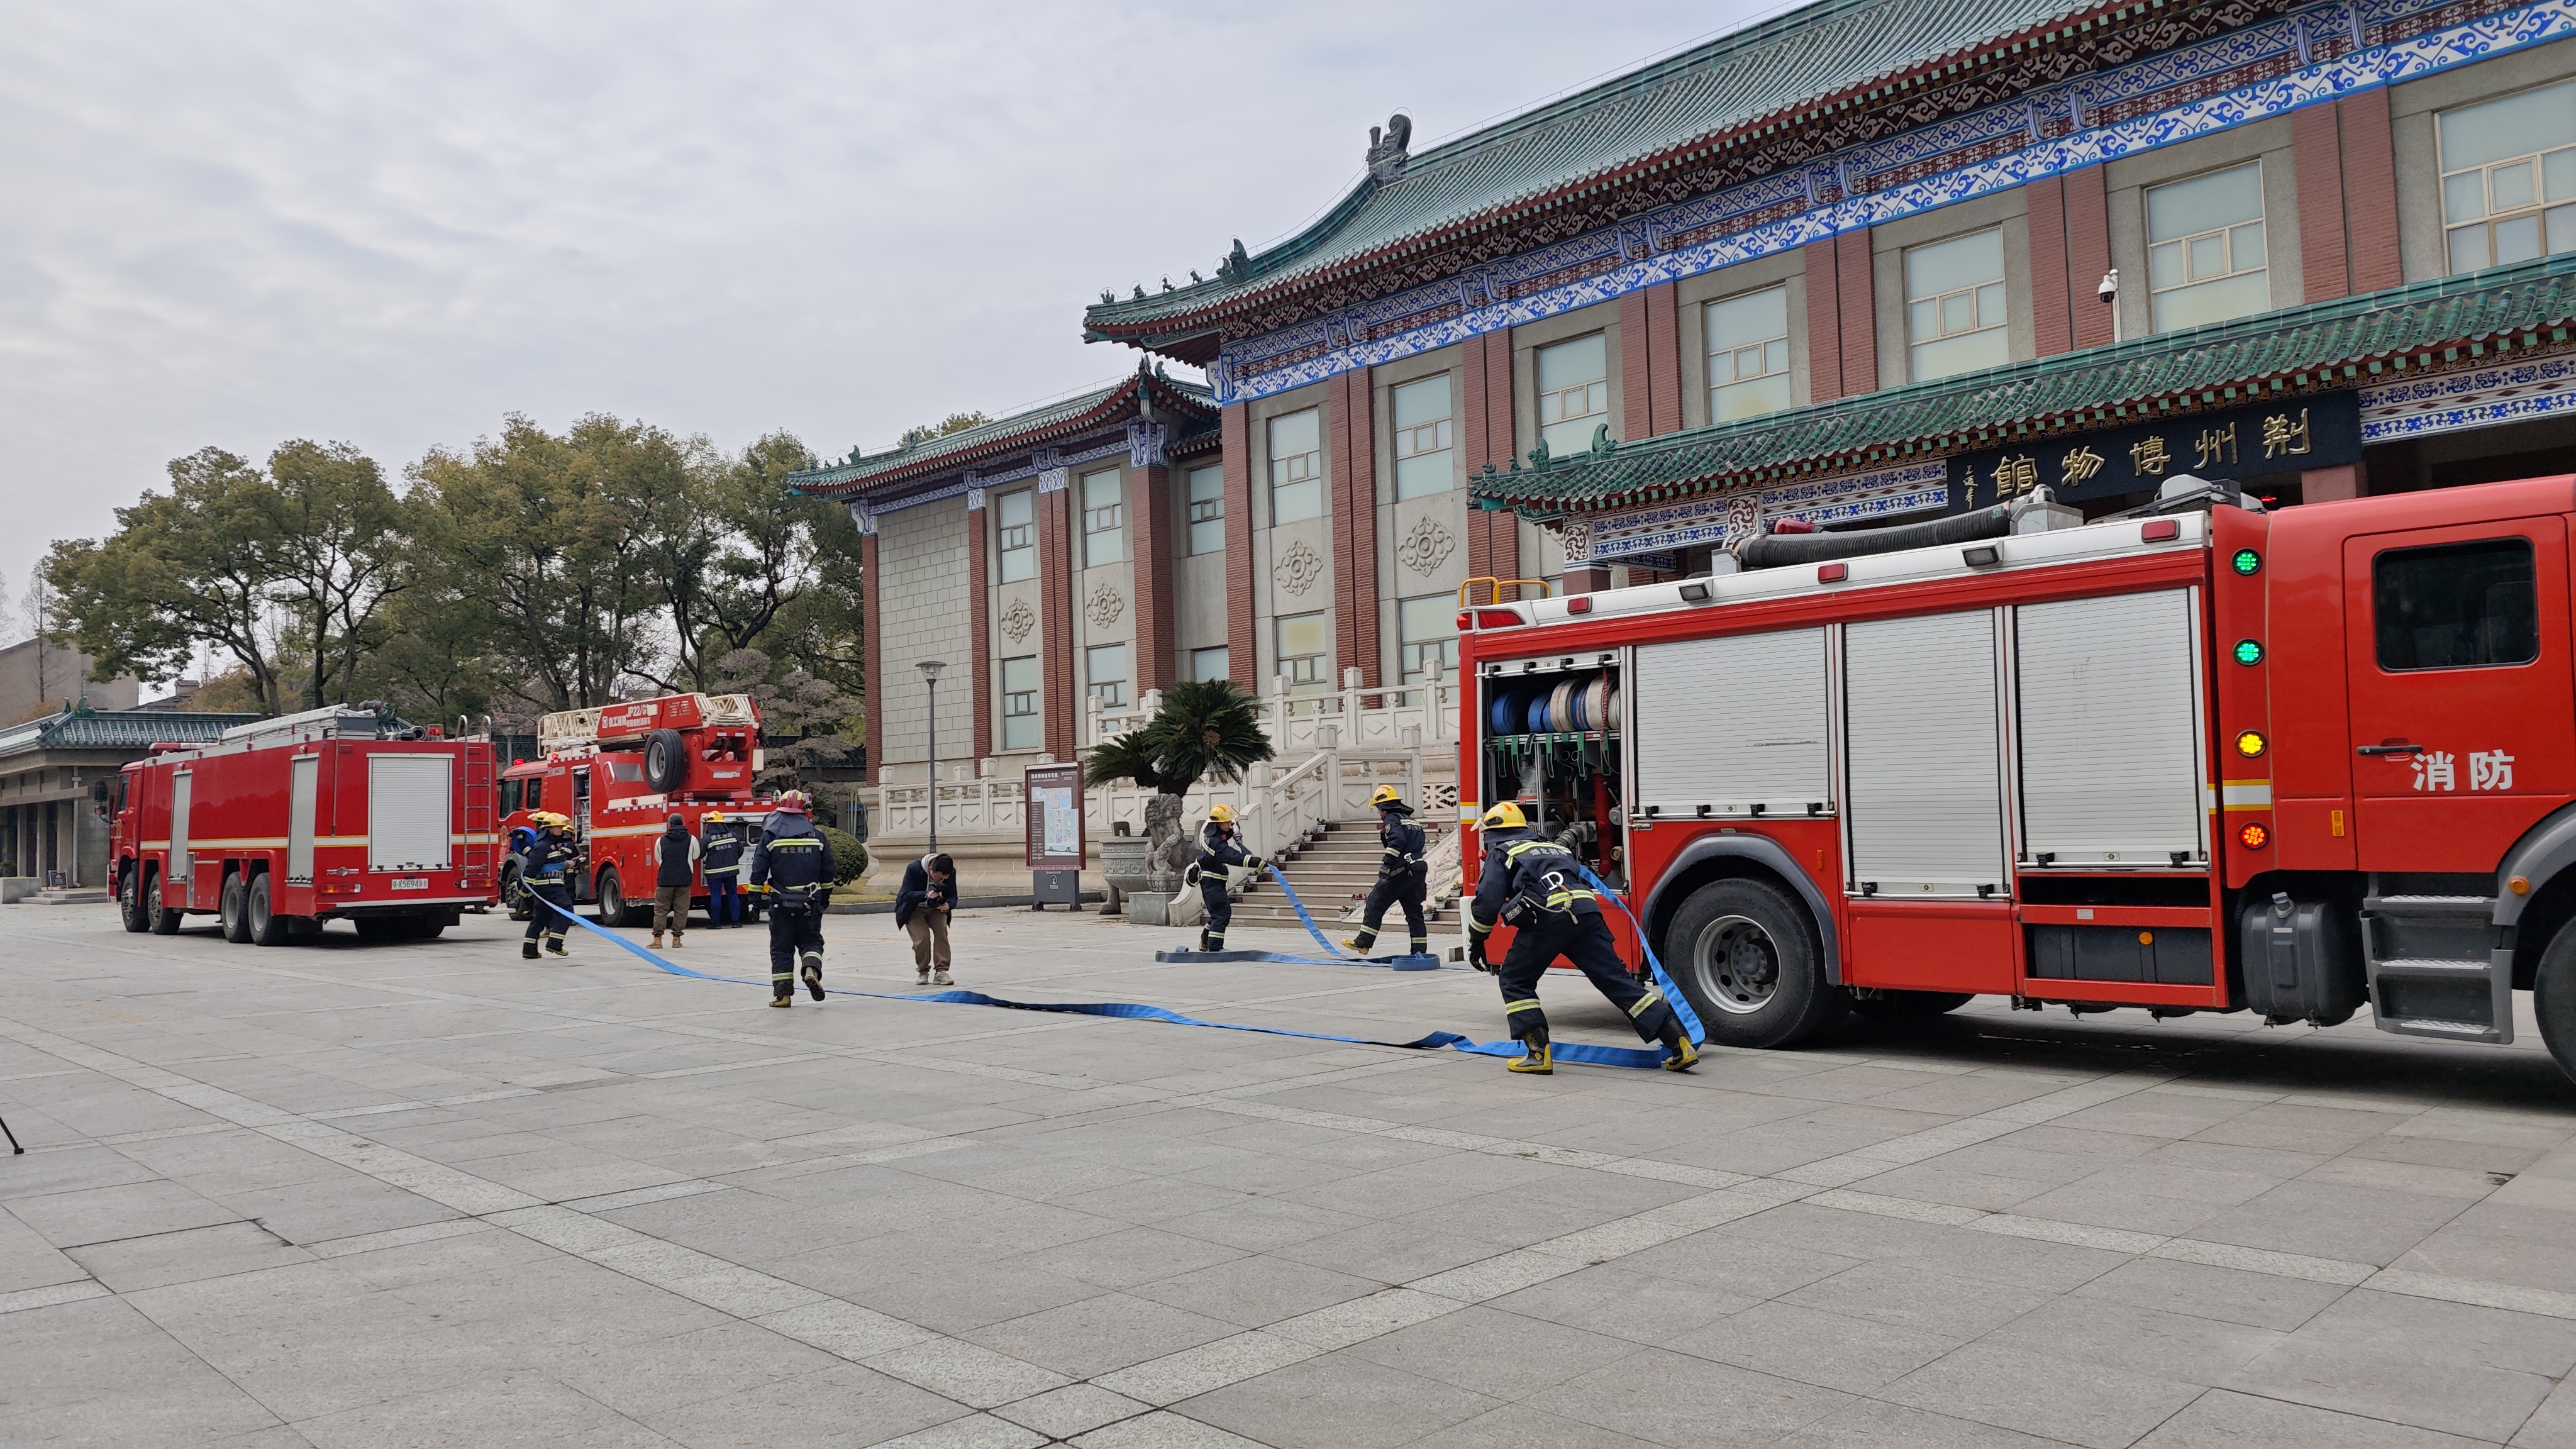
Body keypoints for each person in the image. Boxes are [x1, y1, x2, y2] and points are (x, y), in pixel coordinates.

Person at [1466, 801, 1696, 1075]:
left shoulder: (1502, 853)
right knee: (1616, 981)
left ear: (1493, 833)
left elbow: (1486, 902)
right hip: (1587, 914)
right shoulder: (1556, 849)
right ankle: (1680, 1043)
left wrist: (1477, 941)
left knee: (1515, 980)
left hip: (1549, 918)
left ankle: (1538, 1054)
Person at [748, 790, 835, 1007]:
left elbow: (758, 871)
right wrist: (824, 899)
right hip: (810, 902)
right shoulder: (818, 837)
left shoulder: (770, 837)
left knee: (781, 947)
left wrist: (755, 901)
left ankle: (783, 995)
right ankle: (811, 969)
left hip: (781, 903)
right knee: (811, 941)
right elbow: (828, 872)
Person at [1343, 784, 1428, 958]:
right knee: (1414, 913)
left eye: (1379, 809)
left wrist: (1386, 865)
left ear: (1384, 807)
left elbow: (1397, 842)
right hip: (1418, 870)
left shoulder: (1392, 819)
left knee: (1375, 902)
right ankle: (1419, 953)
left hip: (1401, 871)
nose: (1379, 813)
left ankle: (1364, 943)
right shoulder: (1412, 821)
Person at [1190, 803, 1263, 953]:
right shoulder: (1216, 844)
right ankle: (1215, 947)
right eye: (1227, 822)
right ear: (1218, 824)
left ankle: (1206, 942)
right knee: (1222, 914)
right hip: (1212, 884)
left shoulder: (1213, 836)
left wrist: (1235, 829)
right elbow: (1232, 856)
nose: (1230, 824)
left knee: (1217, 914)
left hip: (1214, 883)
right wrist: (1256, 862)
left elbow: (1226, 834)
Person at [517, 813, 580, 960]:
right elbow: (532, 868)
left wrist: (566, 864)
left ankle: (530, 950)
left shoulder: (551, 844)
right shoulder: (543, 845)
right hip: (550, 886)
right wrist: (525, 890)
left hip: (549, 886)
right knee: (567, 910)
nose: (561, 830)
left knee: (540, 917)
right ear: (549, 829)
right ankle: (555, 943)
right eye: (558, 827)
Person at [896, 852, 957, 986]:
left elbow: (953, 895)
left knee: (941, 933)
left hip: (937, 909)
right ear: (931, 869)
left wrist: (948, 905)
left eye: (944, 879)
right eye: (938, 878)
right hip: (914, 909)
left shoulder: (950, 871)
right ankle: (923, 971)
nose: (941, 881)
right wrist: (926, 894)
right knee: (922, 938)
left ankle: (941, 972)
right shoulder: (914, 869)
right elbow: (905, 895)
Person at [648, 813, 701, 949]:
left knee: (661, 910)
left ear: (669, 825)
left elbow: (657, 858)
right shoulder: (691, 839)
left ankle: (657, 939)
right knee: (681, 910)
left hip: (665, 880)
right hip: (684, 879)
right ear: (683, 823)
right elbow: (696, 856)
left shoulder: (661, 840)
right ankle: (676, 939)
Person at [701, 811, 745, 928]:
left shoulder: (708, 838)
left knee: (716, 896)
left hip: (714, 873)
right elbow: (740, 850)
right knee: (733, 895)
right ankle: (736, 922)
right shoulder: (733, 835)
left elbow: (700, 854)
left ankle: (716, 923)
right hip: (731, 871)